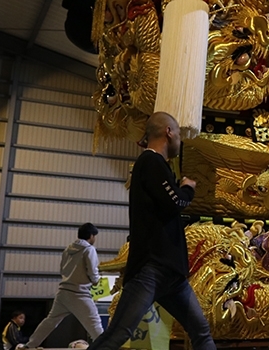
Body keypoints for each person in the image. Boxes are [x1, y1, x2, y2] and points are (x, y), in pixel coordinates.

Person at [86, 112, 216, 350]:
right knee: (118, 334)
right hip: (152, 269)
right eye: (178, 132)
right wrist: (187, 188)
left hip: (171, 274)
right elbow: (175, 202)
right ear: (168, 132)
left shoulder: (156, 166)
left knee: (201, 331)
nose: (179, 139)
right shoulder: (150, 162)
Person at [26, 223, 104, 347]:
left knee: (50, 322)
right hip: (79, 293)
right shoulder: (89, 249)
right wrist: (97, 280)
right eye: (94, 236)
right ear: (91, 235)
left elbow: (62, 270)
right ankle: (105, 347)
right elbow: (93, 271)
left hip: (63, 292)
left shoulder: (68, 249)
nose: (95, 239)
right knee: (94, 323)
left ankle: (29, 345)